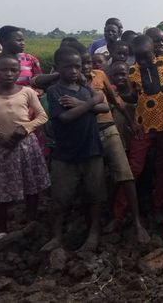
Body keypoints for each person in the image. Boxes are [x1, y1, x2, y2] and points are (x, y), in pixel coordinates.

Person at [0, 54, 49, 241]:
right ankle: (2, 227)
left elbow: (42, 116)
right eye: (4, 69)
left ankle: (31, 221)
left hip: (26, 145)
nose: (9, 73)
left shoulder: (27, 92)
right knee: (2, 188)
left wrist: (25, 128)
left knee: (32, 185)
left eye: (13, 70)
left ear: (19, 72)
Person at [41, 47, 109, 252]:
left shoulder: (85, 90)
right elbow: (65, 117)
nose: (73, 71)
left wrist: (85, 103)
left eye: (77, 67)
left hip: (91, 150)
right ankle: (56, 236)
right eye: (68, 66)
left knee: (95, 196)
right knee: (60, 198)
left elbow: (105, 108)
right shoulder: (55, 91)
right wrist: (92, 102)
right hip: (65, 154)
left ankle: (94, 233)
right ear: (57, 68)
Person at [80, 53, 150, 244]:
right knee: (102, 179)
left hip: (121, 136)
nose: (120, 78)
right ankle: (104, 220)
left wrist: (132, 124)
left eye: (123, 74)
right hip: (97, 136)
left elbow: (116, 105)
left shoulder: (138, 94)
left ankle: (132, 220)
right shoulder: (76, 83)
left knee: (127, 176)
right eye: (115, 75)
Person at [117, 35, 163, 222]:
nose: (144, 61)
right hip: (143, 127)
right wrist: (123, 92)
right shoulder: (133, 71)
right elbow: (133, 96)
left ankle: (159, 208)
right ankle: (119, 212)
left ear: (154, 51)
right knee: (134, 169)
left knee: (162, 168)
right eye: (139, 57)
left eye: (147, 56)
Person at [0, 26, 42, 91]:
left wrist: (38, 90)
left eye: (23, 40)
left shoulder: (31, 59)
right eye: (19, 40)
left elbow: (38, 82)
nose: (23, 43)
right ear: (3, 41)